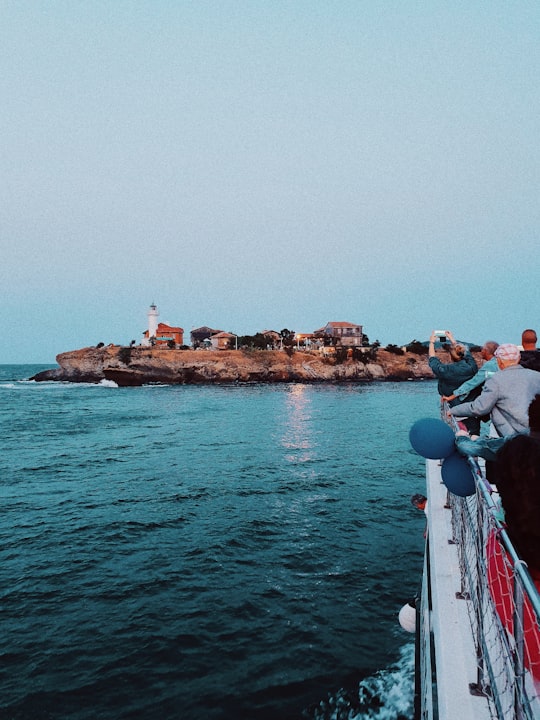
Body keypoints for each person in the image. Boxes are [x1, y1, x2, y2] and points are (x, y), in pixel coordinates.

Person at [448, 344, 540, 438]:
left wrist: (453, 411)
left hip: (511, 438)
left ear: (499, 360)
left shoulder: (495, 379)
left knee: (467, 445)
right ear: (519, 357)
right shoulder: (537, 376)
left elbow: (480, 408)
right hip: (535, 435)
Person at [428, 330, 477, 405]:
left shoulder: (446, 370)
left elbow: (433, 359)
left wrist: (431, 343)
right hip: (470, 404)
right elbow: (468, 355)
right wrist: (452, 340)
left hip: (451, 404)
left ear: (451, 356)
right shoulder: (471, 367)